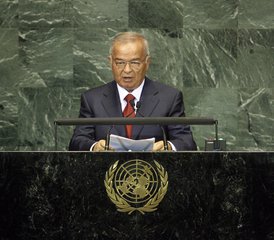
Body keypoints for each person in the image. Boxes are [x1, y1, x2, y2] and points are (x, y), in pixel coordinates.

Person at [69, 32, 196, 151]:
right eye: (120, 63)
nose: (127, 70)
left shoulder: (169, 98)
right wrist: (95, 146)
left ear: (147, 63)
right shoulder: (92, 99)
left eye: (135, 63)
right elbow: (77, 141)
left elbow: (187, 142)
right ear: (110, 62)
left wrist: (168, 146)